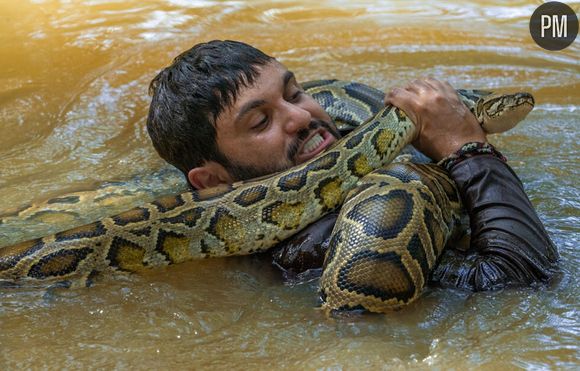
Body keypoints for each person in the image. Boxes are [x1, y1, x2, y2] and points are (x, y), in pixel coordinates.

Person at [146, 40, 558, 292]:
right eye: (260, 122)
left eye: (294, 92)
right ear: (213, 182)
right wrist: (466, 149)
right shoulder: (316, 252)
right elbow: (519, 281)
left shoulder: (357, 135)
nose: (301, 116)